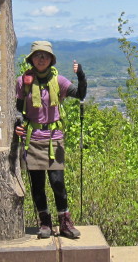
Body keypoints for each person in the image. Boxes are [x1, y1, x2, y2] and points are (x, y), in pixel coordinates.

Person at [15, 40, 86, 239]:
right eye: (37, 55)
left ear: (51, 59)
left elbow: (81, 93)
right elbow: (17, 108)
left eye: (45, 55)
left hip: (55, 138)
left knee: (57, 183)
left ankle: (65, 222)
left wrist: (80, 74)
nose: (41, 58)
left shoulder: (59, 81)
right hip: (33, 138)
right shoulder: (23, 81)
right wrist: (17, 124)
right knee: (37, 185)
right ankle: (45, 222)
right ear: (31, 59)